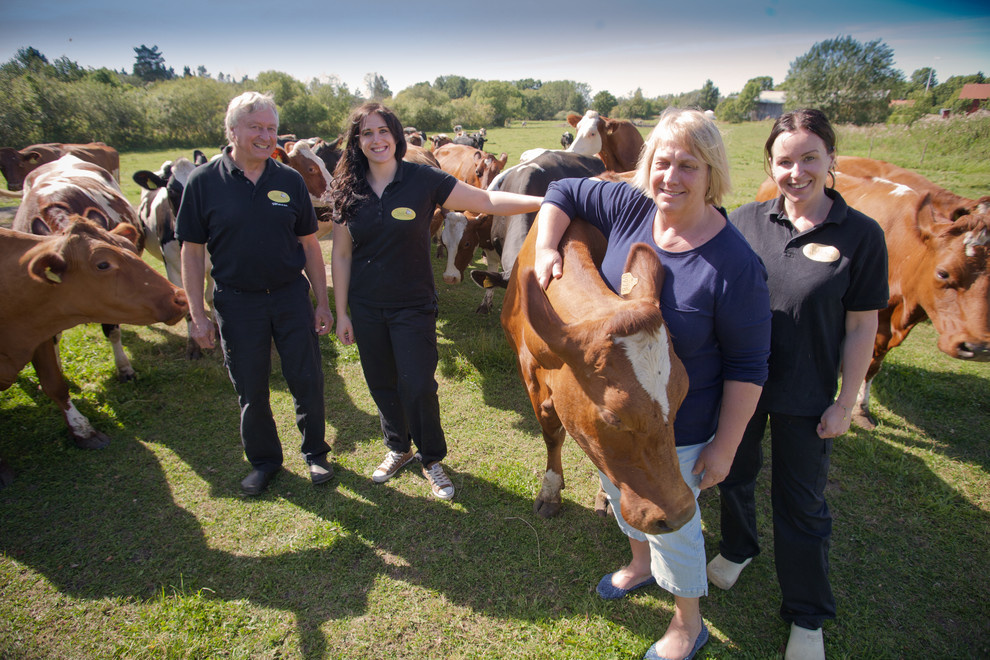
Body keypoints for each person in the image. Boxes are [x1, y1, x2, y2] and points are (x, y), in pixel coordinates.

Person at [533, 107, 771, 660]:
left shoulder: (734, 265)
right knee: (624, 493)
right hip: (620, 417)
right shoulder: (631, 204)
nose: (671, 177)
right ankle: (639, 565)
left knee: (678, 528)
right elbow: (563, 190)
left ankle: (688, 623)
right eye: (662, 162)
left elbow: (748, 366)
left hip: (679, 423)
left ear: (712, 173)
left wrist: (726, 444)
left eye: (688, 165)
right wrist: (547, 245)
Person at [709, 108, 888, 660]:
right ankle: (738, 547)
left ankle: (807, 616)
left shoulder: (860, 234)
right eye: (784, 160)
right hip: (740, 386)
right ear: (770, 163)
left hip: (807, 396)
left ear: (831, 158)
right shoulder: (743, 222)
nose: (796, 171)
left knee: (802, 504)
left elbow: (861, 326)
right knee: (733, 474)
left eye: (810, 157)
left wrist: (843, 401)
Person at [327, 102, 542, 501]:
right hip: (367, 304)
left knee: (418, 382)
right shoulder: (347, 188)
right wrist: (341, 312)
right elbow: (340, 254)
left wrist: (544, 202)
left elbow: (488, 202)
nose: (377, 140)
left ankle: (430, 458)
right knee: (381, 382)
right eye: (367, 133)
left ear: (395, 135)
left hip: (413, 303)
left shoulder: (423, 179)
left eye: (383, 131)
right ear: (357, 142)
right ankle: (399, 447)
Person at [177, 91, 334, 497]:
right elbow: (192, 253)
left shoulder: (289, 180)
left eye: (271, 128)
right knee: (250, 386)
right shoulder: (203, 182)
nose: (266, 136)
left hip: (289, 296)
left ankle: (316, 453)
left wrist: (323, 301)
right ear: (232, 130)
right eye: (256, 127)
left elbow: (310, 245)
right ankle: (265, 463)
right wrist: (197, 314)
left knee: (308, 379)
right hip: (236, 301)